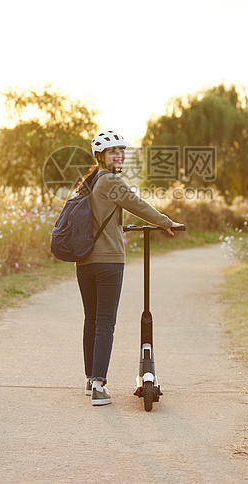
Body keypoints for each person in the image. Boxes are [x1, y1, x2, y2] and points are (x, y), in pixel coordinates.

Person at [75, 130, 184, 406]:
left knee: (91, 321)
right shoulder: (111, 181)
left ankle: (91, 380)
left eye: (122, 151)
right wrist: (166, 222)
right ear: (101, 156)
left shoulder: (86, 183)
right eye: (113, 152)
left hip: (84, 261)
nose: (119, 155)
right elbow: (139, 206)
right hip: (108, 261)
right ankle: (100, 386)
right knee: (104, 323)